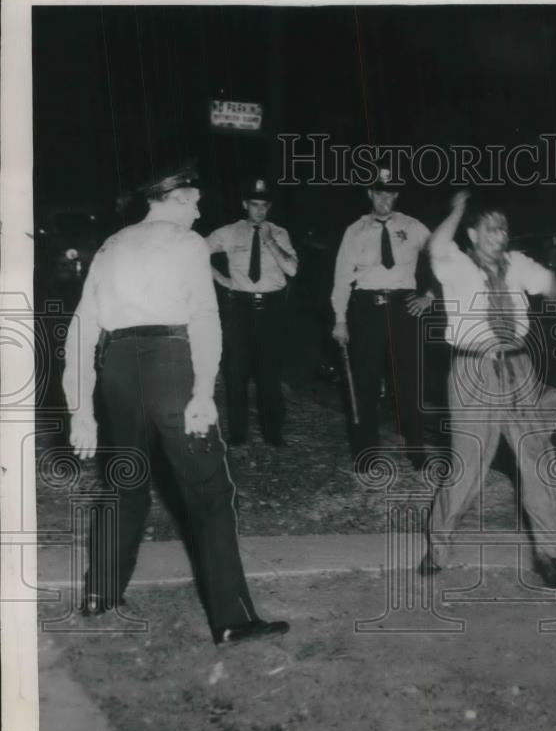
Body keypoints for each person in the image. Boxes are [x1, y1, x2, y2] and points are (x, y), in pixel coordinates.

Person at [62, 167, 290, 646]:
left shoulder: (112, 244)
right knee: (210, 493)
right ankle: (233, 619)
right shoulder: (188, 244)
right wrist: (204, 390)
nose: (201, 212)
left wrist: (81, 410)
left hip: (118, 371)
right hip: (171, 362)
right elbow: (205, 317)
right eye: (196, 202)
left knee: (125, 485)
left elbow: (81, 329)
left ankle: (100, 595)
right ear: (177, 200)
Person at [416, 190, 556, 588]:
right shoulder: (456, 265)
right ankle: (439, 548)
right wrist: (458, 207)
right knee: (467, 465)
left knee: (538, 459)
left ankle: (548, 552)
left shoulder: (517, 264)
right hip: (473, 369)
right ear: (471, 233)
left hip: (518, 366)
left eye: (503, 229)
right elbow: (435, 244)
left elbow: (552, 283)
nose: (498, 235)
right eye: (490, 229)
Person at [330, 168, 433, 469]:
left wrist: (430, 295)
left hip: (405, 308)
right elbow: (341, 277)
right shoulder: (355, 231)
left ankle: (416, 451)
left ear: (396, 194)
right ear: (369, 194)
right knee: (365, 383)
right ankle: (366, 453)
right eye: (378, 192)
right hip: (366, 309)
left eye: (389, 192)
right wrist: (340, 318)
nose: (384, 198)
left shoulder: (414, 227)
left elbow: (442, 257)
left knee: (410, 382)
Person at [206, 178, 298, 447]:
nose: (259, 210)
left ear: (269, 207)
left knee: (269, 371)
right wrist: (222, 280)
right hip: (240, 307)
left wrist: (270, 242)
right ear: (245, 205)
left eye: (264, 205)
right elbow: (197, 251)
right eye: (254, 204)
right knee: (236, 371)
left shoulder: (280, 233)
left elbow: (292, 269)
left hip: (272, 308)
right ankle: (237, 433)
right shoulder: (229, 232)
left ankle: (273, 432)